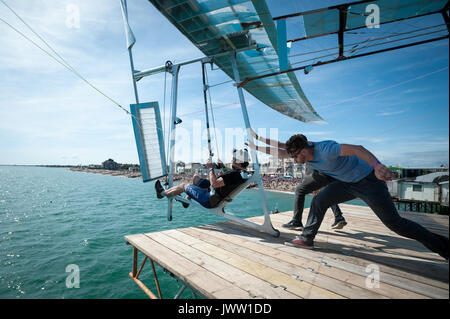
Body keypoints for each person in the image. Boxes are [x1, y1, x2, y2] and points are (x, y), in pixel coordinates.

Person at [284, 134, 449, 261]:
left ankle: (445, 248)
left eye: (295, 157)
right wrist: (258, 139)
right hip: (347, 183)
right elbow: (276, 148)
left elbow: (358, 149)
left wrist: (377, 166)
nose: (295, 160)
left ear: (304, 150)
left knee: (396, 224)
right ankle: (306, 239)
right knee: (319, 200)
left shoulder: (326, 149)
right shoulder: (305, 154)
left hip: (369, 181)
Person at [246, 129, 347, 230]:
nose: (294, 158)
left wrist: (257, 144)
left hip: (320, 173)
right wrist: (258, 139)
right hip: (333, 173)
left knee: (300, 190)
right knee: (325, 193)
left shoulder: (304, 151)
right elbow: (279, 146)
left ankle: (297, 221)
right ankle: (338, 217)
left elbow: (279, 149)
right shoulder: (309, 147)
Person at [155, 149, 249, 209]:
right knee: (196, 177)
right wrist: (223, 166)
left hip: (209, 200)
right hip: (214, 194)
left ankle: (162, 193)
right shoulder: (239, 174)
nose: (232, 159)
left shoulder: (234, 174)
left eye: (234, 158)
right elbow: (228, 178)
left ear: (239, 162)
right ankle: (187, 200)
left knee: (184, 186)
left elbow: (215, 184)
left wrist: (210, 168)